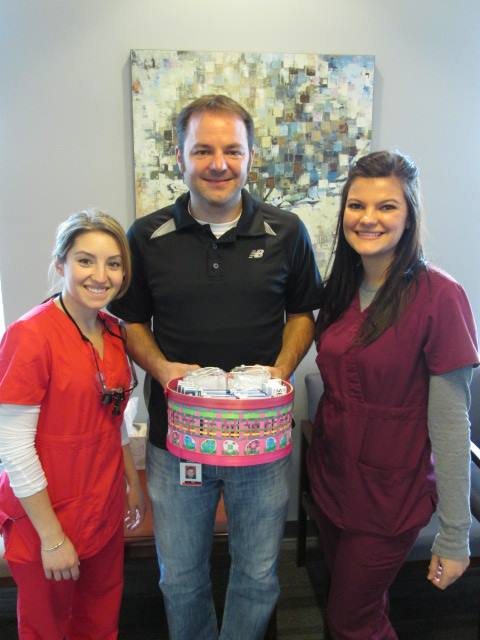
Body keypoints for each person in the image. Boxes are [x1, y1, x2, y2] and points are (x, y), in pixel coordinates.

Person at [108, 94, 323, 639]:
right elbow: (131, 322)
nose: (219, 164)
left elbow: (303, 313)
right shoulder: (145, 236)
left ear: (251, 157)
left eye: (232, 150)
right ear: (180, 157)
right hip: (176, 441)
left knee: (258, 576)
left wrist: (280, 370)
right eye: (203, 150)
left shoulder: (288, 231)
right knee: (180, 579)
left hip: (261, 444)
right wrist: (163, 370)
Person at [307, 150, 479, 640]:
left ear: (409, 216)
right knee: (358, 604)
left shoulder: (440, 296)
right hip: (332, 480)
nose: (368, 218)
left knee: (350, 621)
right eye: (356, 205)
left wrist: (454, 534)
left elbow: (451, 425)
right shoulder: (341, 287)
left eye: (386, 206)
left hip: (390, 495)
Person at [0, 210, 146, 639]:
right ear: (61, 264)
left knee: (99, 621)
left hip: (102, 509)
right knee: (48, 628)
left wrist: (131, 481)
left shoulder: (114, 332)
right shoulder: (30, 335)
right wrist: (51, 538)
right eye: (85, 260)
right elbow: (13, 447)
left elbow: (113, 414)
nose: (100, 276)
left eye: (113, 264)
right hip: (47, 517)